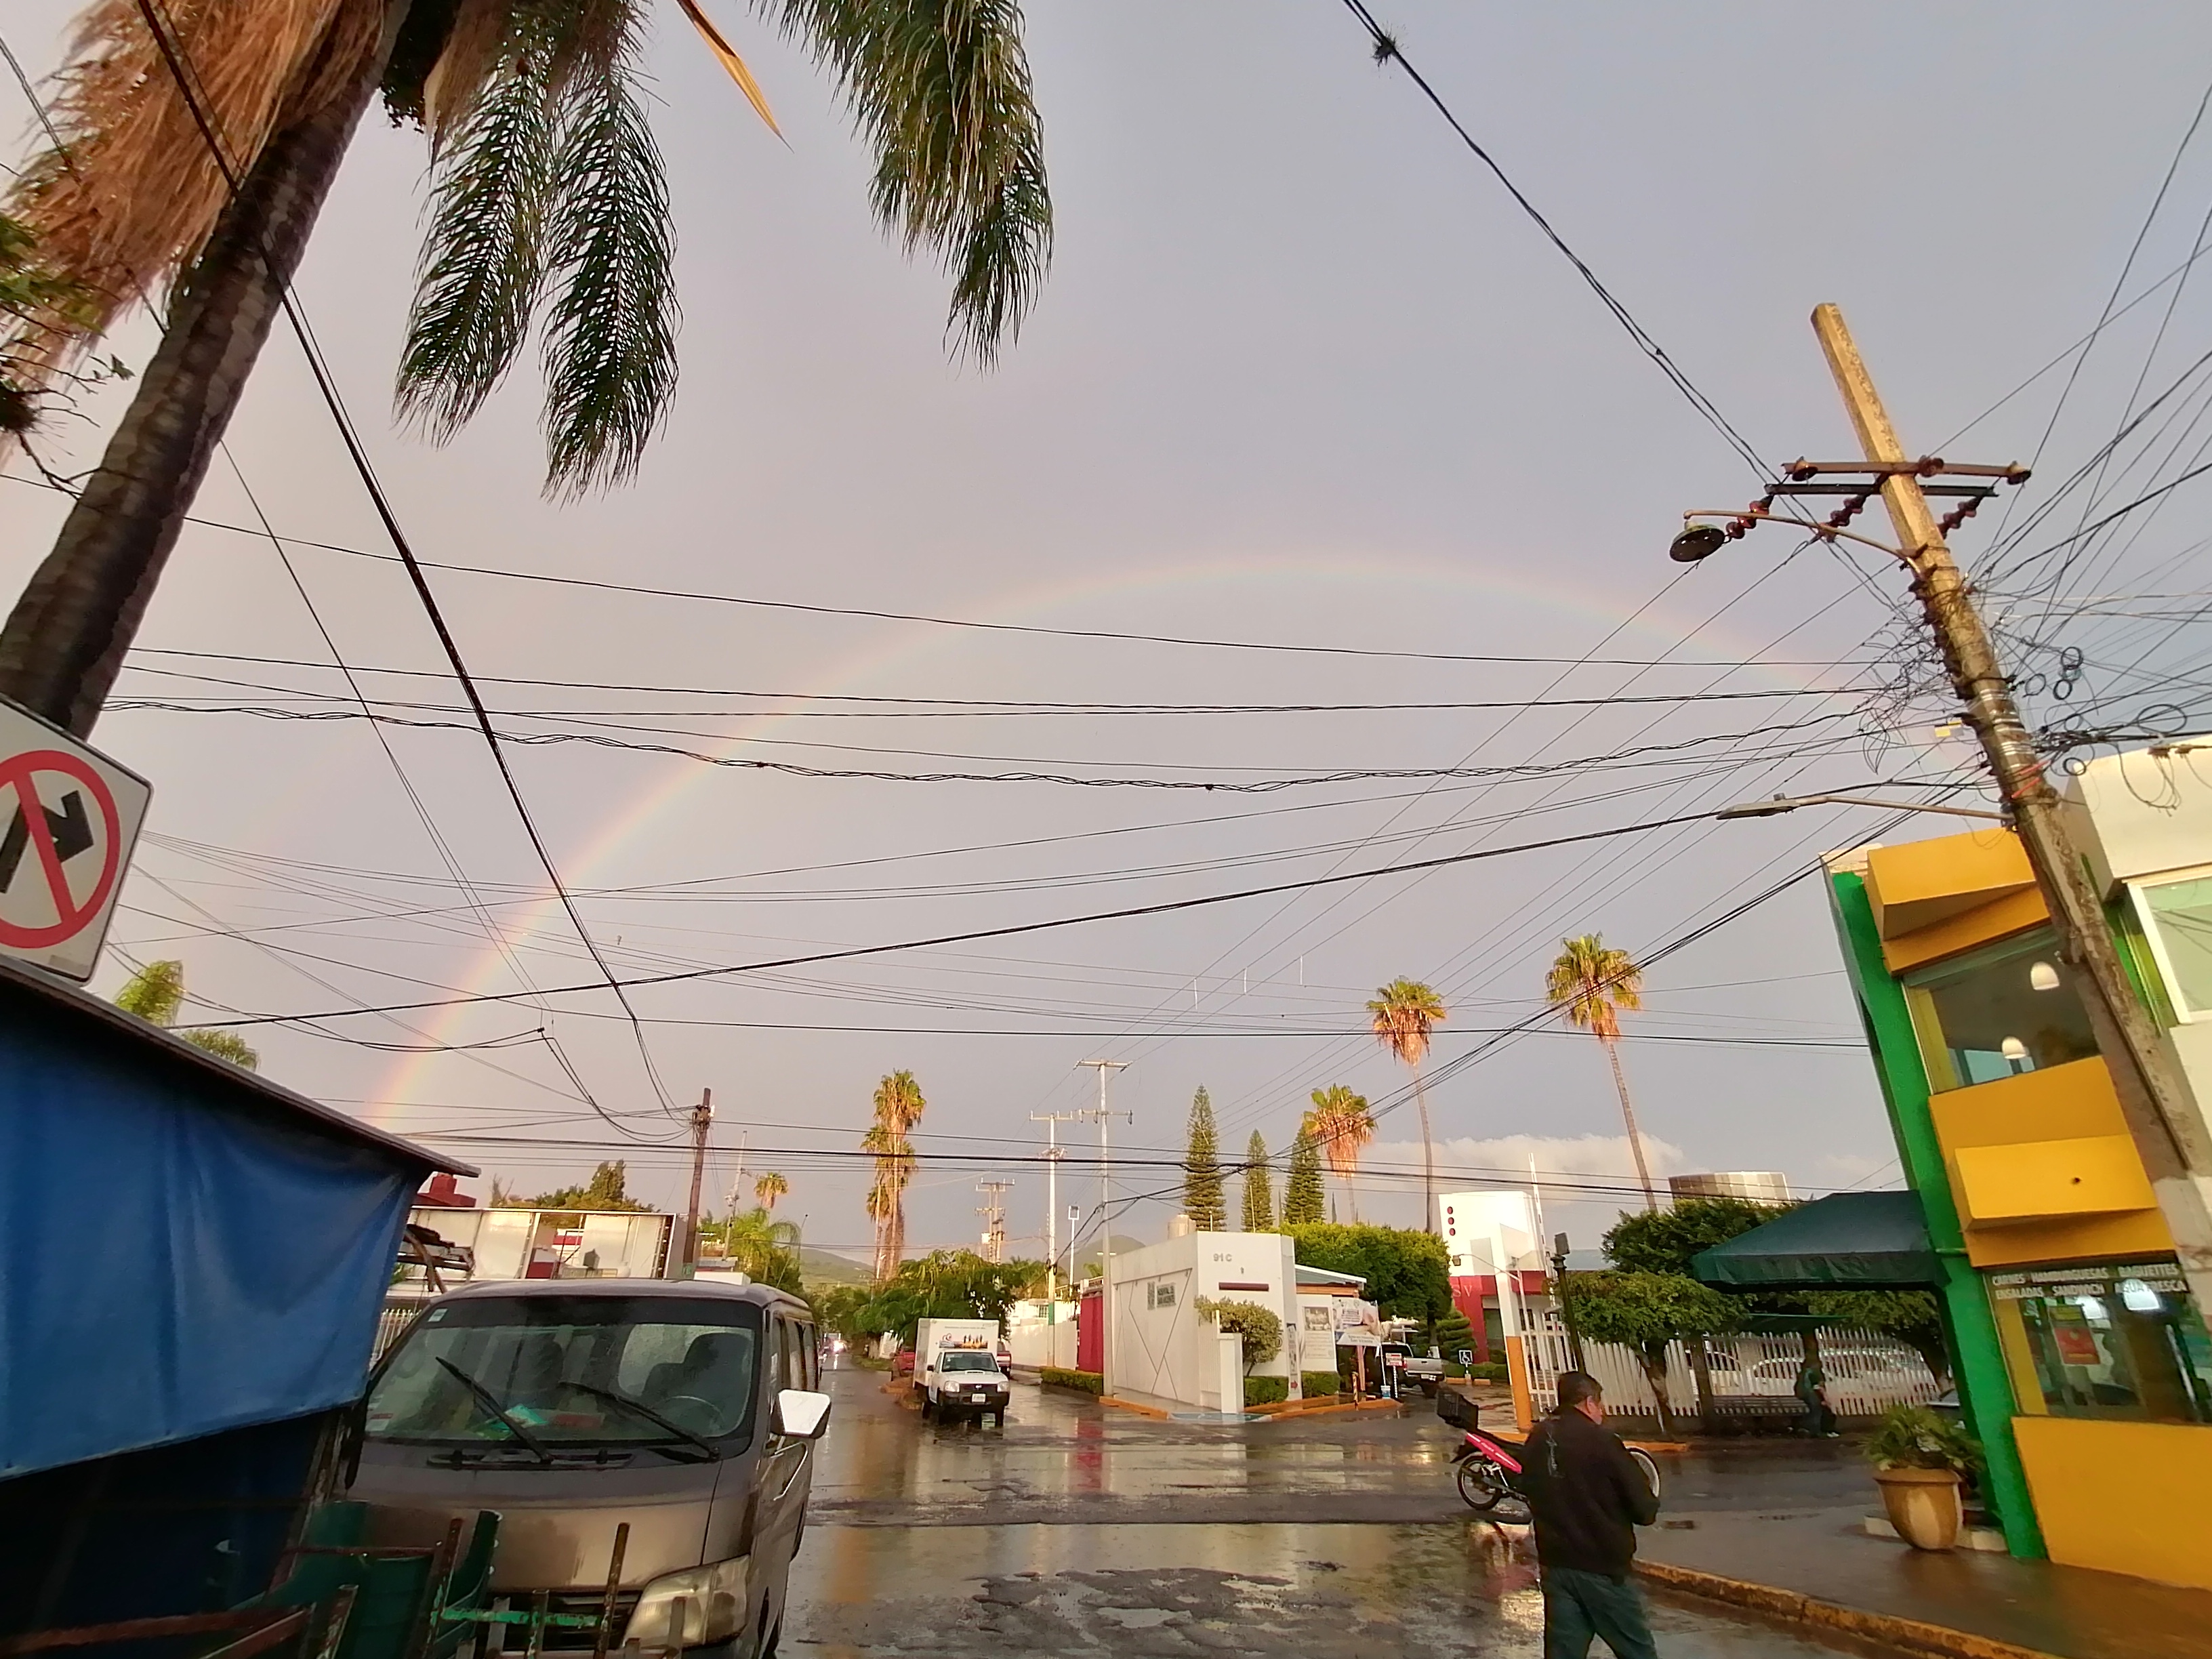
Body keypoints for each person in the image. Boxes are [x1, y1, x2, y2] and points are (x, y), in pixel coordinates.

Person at [1519, 1370, 1662, 1659]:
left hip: (1556, 1565)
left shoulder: (1538, 1438)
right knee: (1637, 1650)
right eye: (1600, 1405)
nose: (1603, 1412)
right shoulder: (1603, 1441)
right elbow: (1644, 1508)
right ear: (1588, 1403)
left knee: (1564, 1651)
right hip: (1601, 1568)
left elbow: (1528, 1488)